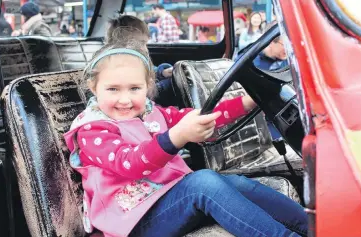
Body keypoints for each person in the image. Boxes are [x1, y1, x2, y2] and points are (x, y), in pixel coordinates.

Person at [63, 41, 308, 237]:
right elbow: (130, 163)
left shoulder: (150, 111)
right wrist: (177, 137)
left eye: (134, 89)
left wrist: (251, 100)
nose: (125, 99)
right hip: (133, 222)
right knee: (202, 183)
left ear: (147, 86)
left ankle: (313, 226)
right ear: (94, 87)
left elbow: (199, 116)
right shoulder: (93, 129)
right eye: (113, 89)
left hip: (163, 200)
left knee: (237, 184)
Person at [105, 15, 174, 106]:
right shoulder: (118, 66)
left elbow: (149, 71)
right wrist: (167, 84)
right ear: (123, 44)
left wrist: (163, 72)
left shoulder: (138, 61)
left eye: (146, 44)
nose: (146, 49)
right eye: (142, 43)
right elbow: (141, 91)